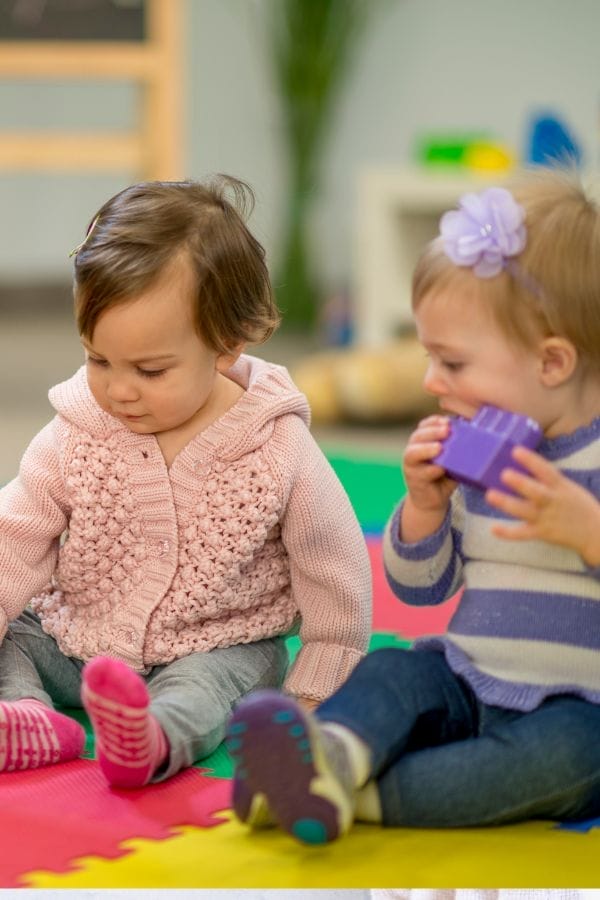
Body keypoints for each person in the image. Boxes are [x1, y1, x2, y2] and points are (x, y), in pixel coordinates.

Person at [227, 167, 600, 845]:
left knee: (570, 762)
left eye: (452, 364)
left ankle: (353, 799)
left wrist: (588, 531)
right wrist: (425, 508)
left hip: (579, 713)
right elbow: (422, 589)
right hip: (465, 678)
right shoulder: (479, 456)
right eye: (427, 357)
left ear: (552, 363)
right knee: (395, 668)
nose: (431, 382)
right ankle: (332, 754)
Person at [0, 175, 371, 787]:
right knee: (12, 632)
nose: (118, 389)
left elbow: (332, 563)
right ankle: (27, 716)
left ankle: (151, 740)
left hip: (215, 643)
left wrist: (319, 681)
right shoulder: (74, 434)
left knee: (211, 691)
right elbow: (16, 535)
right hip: (78, 639)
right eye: (98, 359)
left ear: (225, 345)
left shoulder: (275, 447)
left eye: (150, 370)